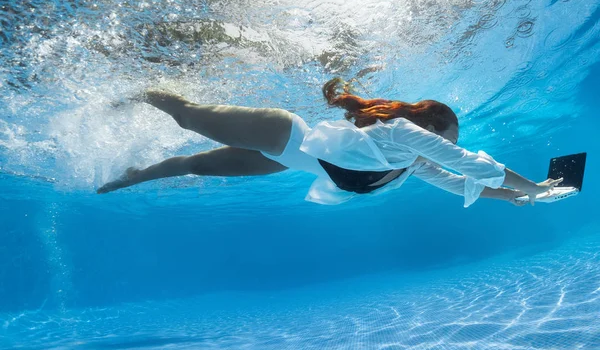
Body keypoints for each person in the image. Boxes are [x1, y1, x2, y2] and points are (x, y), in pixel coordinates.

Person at [97, 78, 562, 206]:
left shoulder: (411, 161)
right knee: (186, 118)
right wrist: (535, 188)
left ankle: (134, 176)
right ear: (433, 127)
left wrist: (514, 198)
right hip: (281, 132)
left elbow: (459, 183)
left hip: (282, 161)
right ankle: (140, 92)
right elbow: (475, 168)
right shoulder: (405, 133)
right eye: (451, 138)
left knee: (193, 166)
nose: (447, 145)